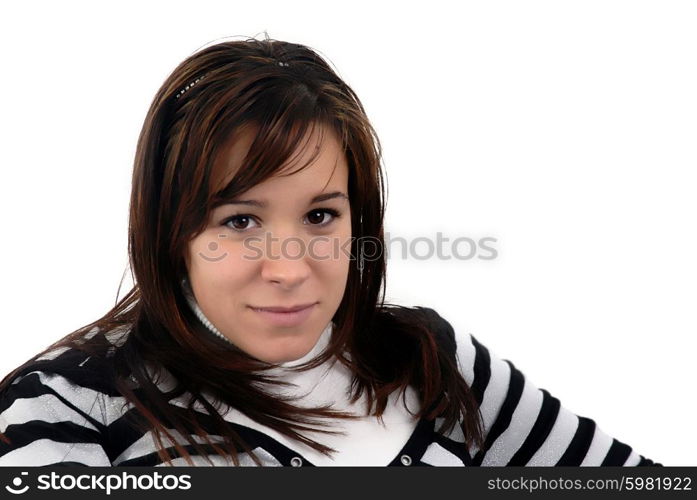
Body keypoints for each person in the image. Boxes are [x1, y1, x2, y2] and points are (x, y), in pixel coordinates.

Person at [0, 36, 660, 467]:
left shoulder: (431, 361)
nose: (288, 268)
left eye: (320, 215)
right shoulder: (61, 407)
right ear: (171, 230)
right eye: (238, 221)